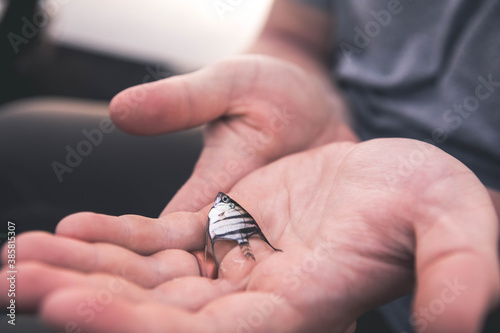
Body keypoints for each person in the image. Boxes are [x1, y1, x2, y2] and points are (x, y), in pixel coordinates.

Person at [1, 1, 499, 332]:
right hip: (314, 140)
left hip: (460, 219)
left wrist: (477, 208)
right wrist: (286, 87)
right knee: (16, 142)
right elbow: (292, 33)